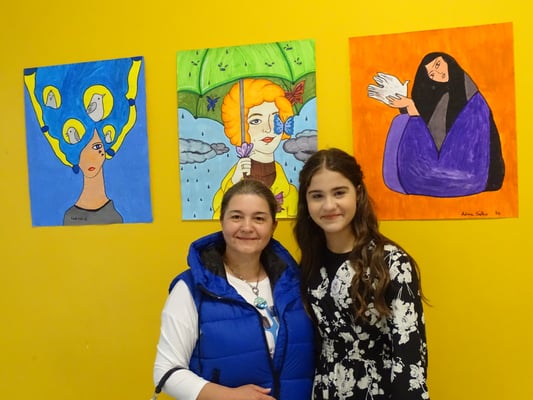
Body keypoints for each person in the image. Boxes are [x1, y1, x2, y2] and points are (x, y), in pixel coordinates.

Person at [153, 178, 315, 400]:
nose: (247, 227)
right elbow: (166, 372)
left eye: (259, 218)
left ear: (273, 226)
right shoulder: (191, 288)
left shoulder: (296, 283)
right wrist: (229, 396)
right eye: (236, 217)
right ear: (222, 221)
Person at [294, 148, 430, 400]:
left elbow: (410, 356)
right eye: (317, 196)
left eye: (339, 192)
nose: (329, 205)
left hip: (379, 391)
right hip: (325, 389)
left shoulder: (391, 263)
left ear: (357, 193)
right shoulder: (311, 263)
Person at [369, 52, 505, 197]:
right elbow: (429, 137)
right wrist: (406, 106)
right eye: (432, 74)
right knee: (401, 121)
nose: (438, 74)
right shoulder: (443, 98)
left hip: (466, 172)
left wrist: (411, 109)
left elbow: (462, 148)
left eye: (438, 65)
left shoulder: (473, 100)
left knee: (415, 174)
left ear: (448, 62)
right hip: (445, 166)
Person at [212, 78, 298, 218]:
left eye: (275, 118)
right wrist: (234, 182)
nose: (268, 128)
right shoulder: (233, 180)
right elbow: (219, 217)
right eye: (256, 121)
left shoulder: (289, 192)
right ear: (239, 127)